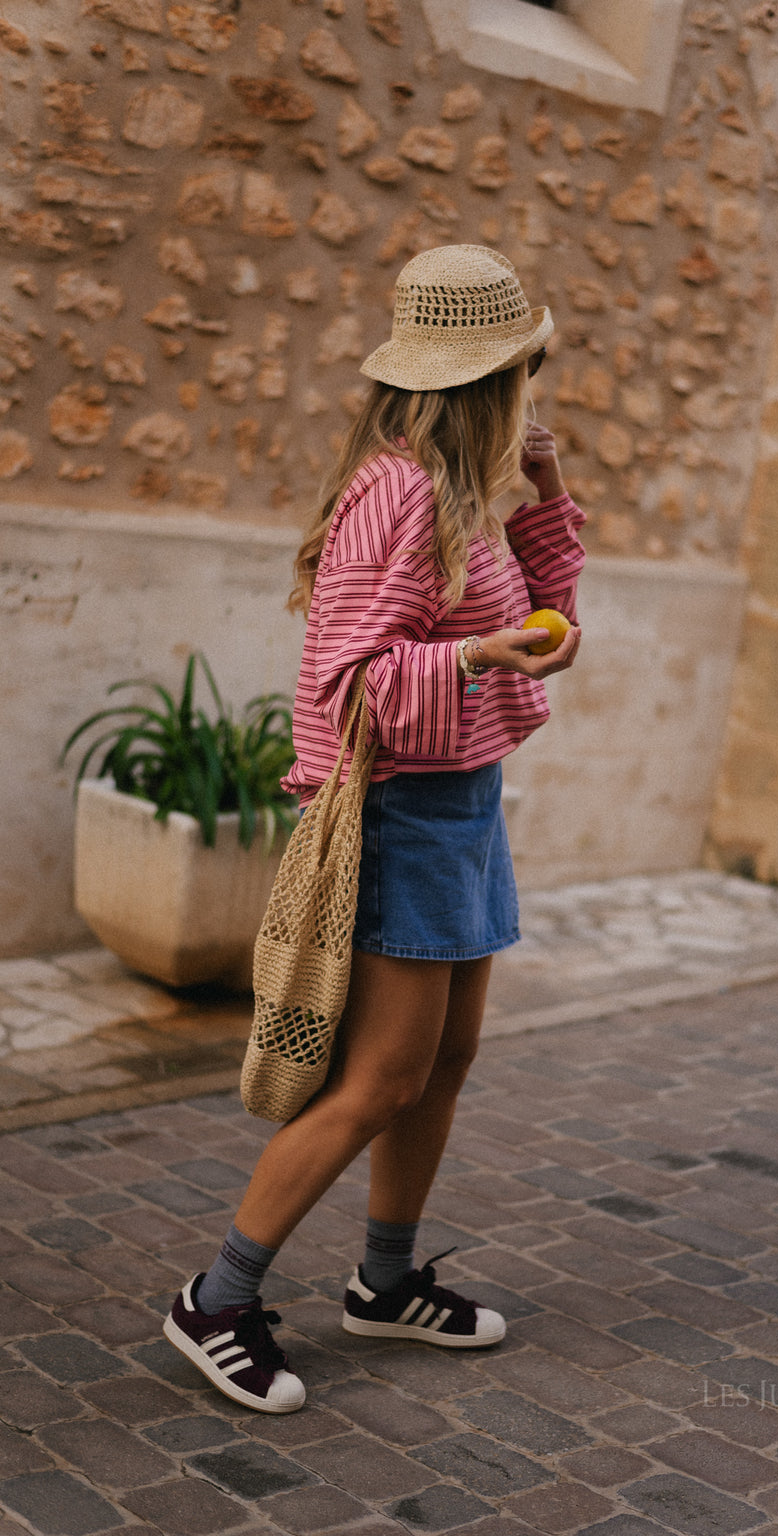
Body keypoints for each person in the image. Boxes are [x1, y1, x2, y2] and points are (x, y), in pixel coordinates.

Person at [163, 244, 586, 1413]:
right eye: (527, 369)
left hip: (467, 802)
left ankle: (386, 1283)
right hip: (399, 810)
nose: (536, 390)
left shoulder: (467, 494)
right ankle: (218, 1298)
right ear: (484, 379)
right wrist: (468, 658)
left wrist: (544, 513)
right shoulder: (397, 494)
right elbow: (340, 679)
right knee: (378, 1078)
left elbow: (540, 618)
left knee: (444, 1065)